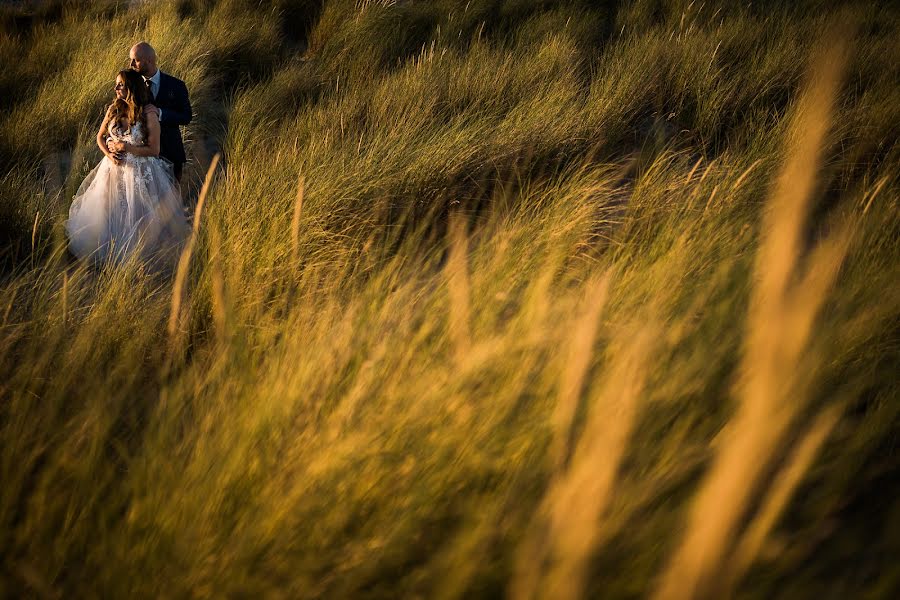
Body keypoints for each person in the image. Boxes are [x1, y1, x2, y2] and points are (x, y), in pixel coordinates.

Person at [66, 70, 190, 266]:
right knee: (110, 211)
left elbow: (155, 150)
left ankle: (137, 259)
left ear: (131, 88)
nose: (116, 88)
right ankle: (108, 257)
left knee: (137, 214)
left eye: (120, 85)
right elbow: (100, 137)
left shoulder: (147, 114)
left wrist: (127, 147)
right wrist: (109, 154)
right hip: (111, 170)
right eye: (116, 85)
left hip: (140, 172)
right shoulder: (113, 109)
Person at [126, 42, 192, 182]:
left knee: (172, 200)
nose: (131, 64)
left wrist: (161, 113)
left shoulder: (176, 85)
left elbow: (186, 117)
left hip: (171, 153)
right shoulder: (130, 86)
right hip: (142, 158)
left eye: (135, 60)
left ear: (149, 61)